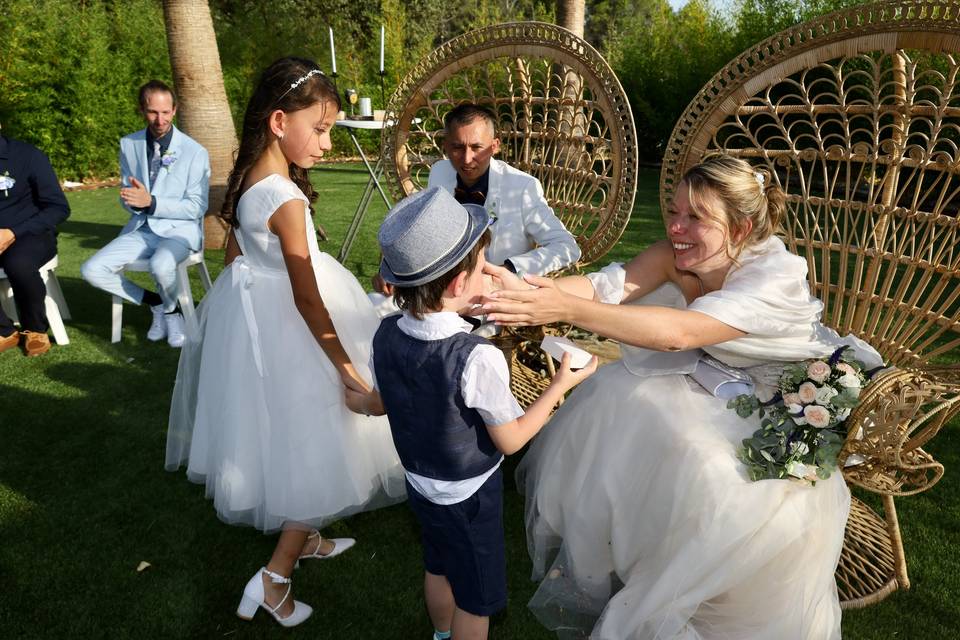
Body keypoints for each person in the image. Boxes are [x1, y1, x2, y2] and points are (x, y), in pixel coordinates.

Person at [482, 156, 886, 639]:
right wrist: (524, 289)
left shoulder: (772, 275)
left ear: (742, 227)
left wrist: (566, 309)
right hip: (707, 375)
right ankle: (623, 561)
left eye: (696, 217)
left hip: (783, 399)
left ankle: (698, 593)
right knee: (615, 399)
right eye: (674, 211)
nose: (676, 227)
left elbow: (678, 334)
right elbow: (605, 286)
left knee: (711, 471)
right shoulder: (675, 255)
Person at [165, 57, 405, 627]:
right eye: (320, 129)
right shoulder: (288, 200)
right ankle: (274, 578)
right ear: (279, 121)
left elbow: (235, 258)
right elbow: (306, 298)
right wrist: (347, 367)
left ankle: (310, 534)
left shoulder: (253, 181)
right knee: (318, 437)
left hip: (263, 328)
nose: (326, 144)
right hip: (301, 330)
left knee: (291, 436)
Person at [350, 186, 597, 640]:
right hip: (470, 496)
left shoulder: (384, 334)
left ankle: (441, 634)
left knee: (438, 564)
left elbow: (384, 400)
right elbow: (511, 440)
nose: (491, 273)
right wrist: (559, 385)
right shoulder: (476, 356)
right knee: (476, 599)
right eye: (483, 268)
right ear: (459, 285)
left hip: (420, 484)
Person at [370, 104, 581, 316]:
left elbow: (566, 246)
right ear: (445, 146)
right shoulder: (440, 173)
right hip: (438, 292)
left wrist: (509, 269)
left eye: (476, 147)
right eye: (457, 147)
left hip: (494, 297)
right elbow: (424, 235)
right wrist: (396, 274)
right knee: (372, 306)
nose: (467, 158)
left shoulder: (522, 187)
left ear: (494, 146)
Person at [80, 80, 210, 348]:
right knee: (91, 269)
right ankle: (158, 303)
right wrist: (134, 202)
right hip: (142, 228)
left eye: (165, 112)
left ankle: (174, 313)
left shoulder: (195, 151)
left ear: (175, 110)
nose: (159, 119)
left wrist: (152, 202)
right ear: (142, 110)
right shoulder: (129, 144)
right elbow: (128, 192)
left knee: (161, 265)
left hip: (180, 231)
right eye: (153, 112)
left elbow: (197, 207)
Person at [0, 130, 71, 357]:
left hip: (31, 233)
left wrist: (13, 232)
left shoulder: (27, 155)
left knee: (18, 264)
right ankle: (4, 331)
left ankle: (35, 329)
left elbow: (59, 208)